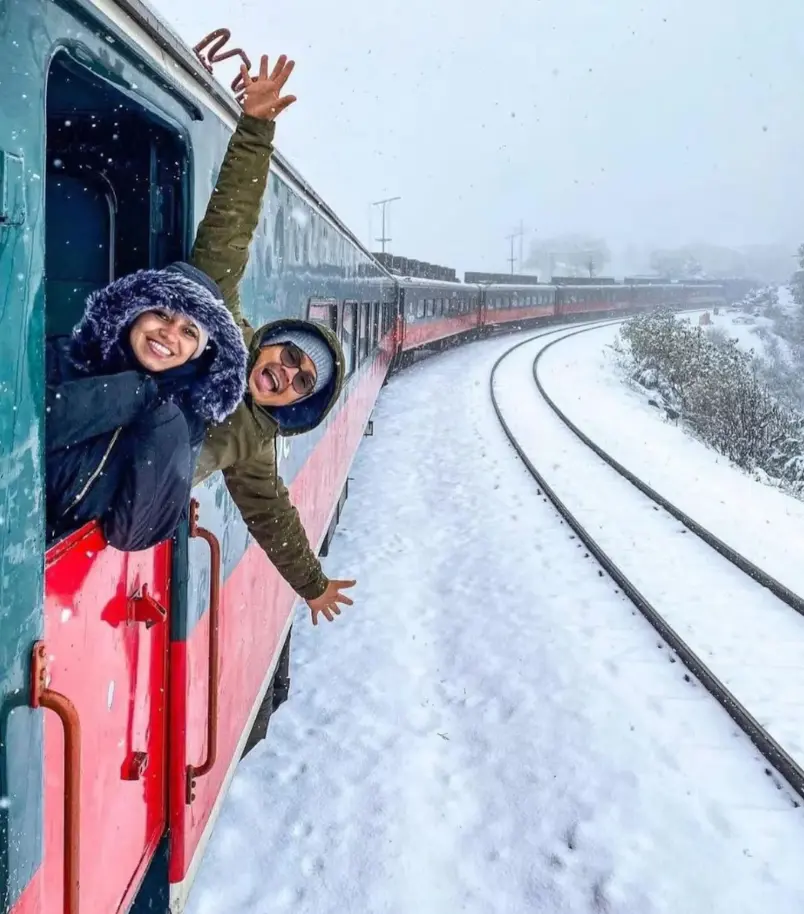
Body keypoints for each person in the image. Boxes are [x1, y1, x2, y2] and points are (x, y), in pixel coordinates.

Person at [190, 55, 356, 626]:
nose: (286, 373)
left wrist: (312, 585)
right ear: (267, 344)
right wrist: (257, 128)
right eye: (288, 356)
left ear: (297, 403)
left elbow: (271, 515)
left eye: (301, 381)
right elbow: (229, 233)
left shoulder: (254, 444)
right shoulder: (219, 329)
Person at [46, 209, 252, 549]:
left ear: (197, 352)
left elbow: (132, 533)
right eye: (161, 313)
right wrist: (134, 392)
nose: (170, 334)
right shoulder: (68, 356)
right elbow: (23, 433)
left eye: (189, 331)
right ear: (137, 312)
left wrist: (161, 417)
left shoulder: (185, 423)